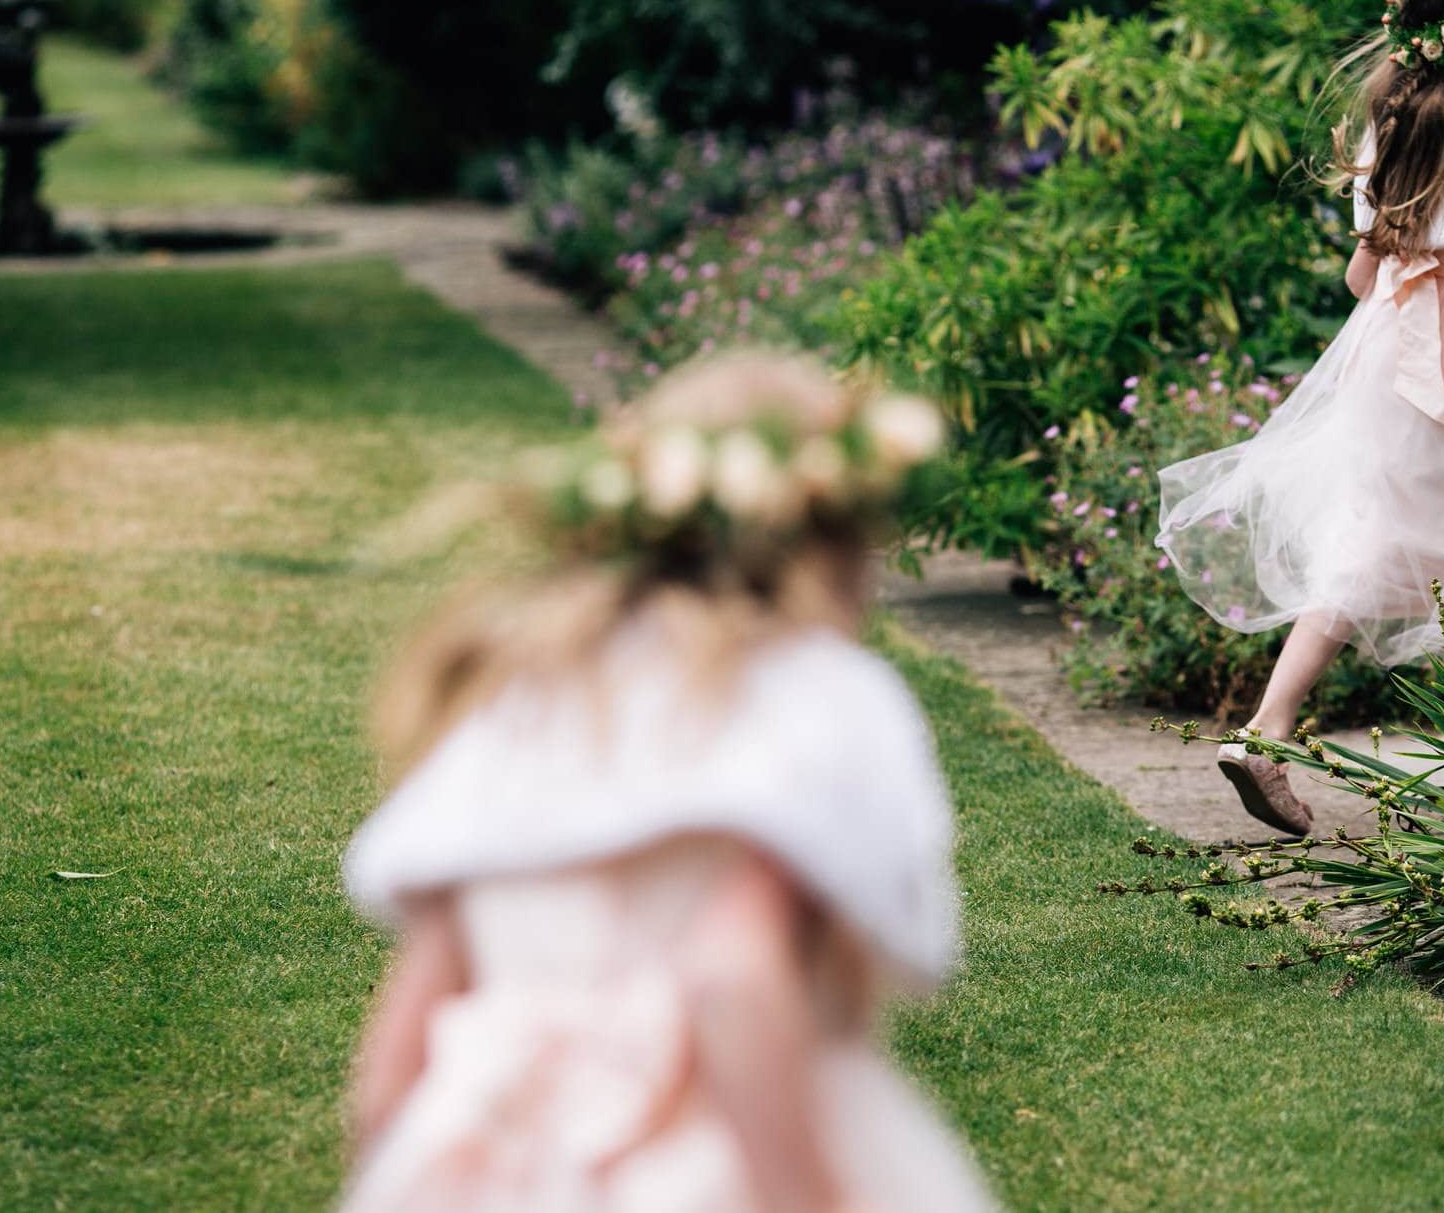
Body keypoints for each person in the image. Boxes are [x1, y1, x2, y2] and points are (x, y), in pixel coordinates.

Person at [339, 352, 996, 1212]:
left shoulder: (523, 704)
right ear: (832, 535)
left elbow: (394, 1066)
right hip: (716, 1164)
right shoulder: (804, 698)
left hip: (496, 1167)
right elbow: (731, 971)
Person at [1154, 0, 1444, 837]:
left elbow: (1363, 277)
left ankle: (1267, 727)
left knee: (1377, 539)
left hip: (1392, 353)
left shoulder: (1395, 116)